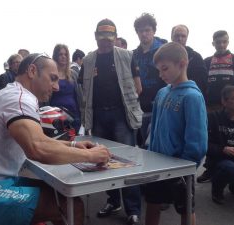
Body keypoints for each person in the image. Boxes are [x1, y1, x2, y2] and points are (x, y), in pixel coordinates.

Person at [0, 53, 111, 225]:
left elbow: (39, 139)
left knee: (62, 196)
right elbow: (38, 148)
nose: (57, 87)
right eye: (52, 78)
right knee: (71, 204)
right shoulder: (19, 99)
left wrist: (74, 144)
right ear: (32, 70)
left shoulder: (13, 93)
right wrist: (92, 156)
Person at [79, 18, 143, 225]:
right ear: (96, 37)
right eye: (102, 37)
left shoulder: (127, 56)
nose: (105, 41)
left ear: (115, 37)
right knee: (103, 161)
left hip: (120, 115)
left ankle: (133, 209)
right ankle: (113, 201)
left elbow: (138, 87)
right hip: (98, 115)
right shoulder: (88, 61)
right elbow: (83, 90)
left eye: (109, 37)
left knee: (127, 161)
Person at [145, 42, 207, 225]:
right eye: (159, 70)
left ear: (182, 63)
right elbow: (154, 128)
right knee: (152, 203)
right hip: (157, 164)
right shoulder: (161, 93)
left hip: (180, 169)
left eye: (165, 68)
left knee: (186, 209)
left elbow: (198, 141)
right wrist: (150, 153)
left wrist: (185, 169)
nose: (161, 74)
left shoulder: (193, 97)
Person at [198, 30, 234, 183]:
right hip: (211, 107)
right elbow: (202, 83)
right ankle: (210, 168)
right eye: (218, 42)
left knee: (232, 136)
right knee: (212, 137)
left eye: (224, 41)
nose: (221, 44)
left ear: (228, 42)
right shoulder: (207, 61)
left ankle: (233, 169)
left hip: (232, 106)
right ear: (213, 43)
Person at [133, 13, 167, 148]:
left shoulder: (164, 50)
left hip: (161, 107)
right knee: (142, 147)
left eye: (147, 30)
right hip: (140, 108)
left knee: (156, 147)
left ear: (154, 31)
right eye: (141, 31)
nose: (144, 34)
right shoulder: (133, 54)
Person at [50, 44, 82, 133]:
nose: (63, 57)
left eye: (65, 54)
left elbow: (79, 95)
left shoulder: (73, 74)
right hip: (55, 117)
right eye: (60, 54)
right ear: (55, 56)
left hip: (74, 116)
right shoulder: (50, 75)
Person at [171, 24, 207, 97]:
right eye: (177, 35)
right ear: (172, 37)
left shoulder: (196, 57)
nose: (180, 38)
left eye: (183, 36)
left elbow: (202, 82)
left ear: (187, 37)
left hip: (189, 96)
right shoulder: (164, 56)